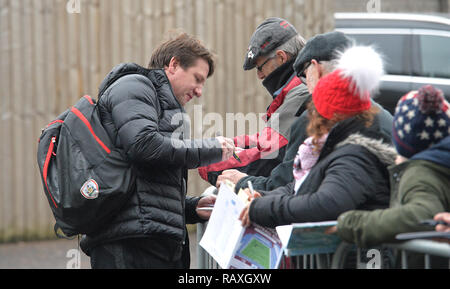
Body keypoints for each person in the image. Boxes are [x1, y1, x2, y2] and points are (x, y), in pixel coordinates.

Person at [79, 32, 236, 269]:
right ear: (173, 65)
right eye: (197, 78)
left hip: (151, 241)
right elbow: (144, 145)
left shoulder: (161, 104)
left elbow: (146, 187)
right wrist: (211, 148)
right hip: (128, 245)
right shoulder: (134, 86)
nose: (199, 91)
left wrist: (192, 208)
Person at [239, 44, 396, 228]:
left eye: (316, 112)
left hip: (361, 256)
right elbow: (301, 186)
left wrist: (263, 208)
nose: (311, 121)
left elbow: (323, 203)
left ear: (330, 116)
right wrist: (263, 197)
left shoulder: (354, 156)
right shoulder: (335, 147)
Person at [219, 31, 393, 193]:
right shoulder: (384, 117)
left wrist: (242, 183)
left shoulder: (314, 120)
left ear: (316, 68)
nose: (304, 83)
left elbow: (289, 187)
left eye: (303, 74)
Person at [198, 17, 310, 187]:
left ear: (280, 57)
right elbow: (265, 141)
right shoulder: (297, 88)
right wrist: (227, 145)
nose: (259, 75)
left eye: (259, 67)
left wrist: (208, 162)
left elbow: (268, 155)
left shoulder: (301, 93)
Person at [335, 85, 450, 248]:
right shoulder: (438, 165)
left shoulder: (420, 174)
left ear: (401, 139)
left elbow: (422, 215)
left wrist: (354, 223)